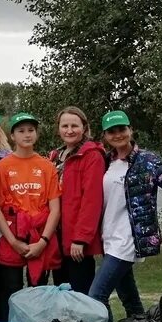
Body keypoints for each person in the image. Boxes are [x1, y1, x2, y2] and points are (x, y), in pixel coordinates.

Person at [90, 111, 162, 322]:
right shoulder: (105, 162)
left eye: (122, 129)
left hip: (129, 239)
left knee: (96, 297)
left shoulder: (147, 160)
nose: (118, 135)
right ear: (105, 136)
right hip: (109, 237)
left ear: (130, 130)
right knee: (130, 300)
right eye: (112, 131)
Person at [0, 113, 61, 321]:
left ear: (37, 134)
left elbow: (55, 208)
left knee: (38, 294)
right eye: (21, 131)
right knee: (8, 294)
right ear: (12, 136)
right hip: (11, 238)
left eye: (31, 130)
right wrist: (12, 241)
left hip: (40, 237)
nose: (27, 135)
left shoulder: (47, 166)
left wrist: (43, 241)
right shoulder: (1, 167)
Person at [48, 106, 106, 294]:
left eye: (75, 125)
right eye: (65, 126)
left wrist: (81, 238)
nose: (69, 130)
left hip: (76, 241)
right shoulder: (55, 156)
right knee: (61, 294)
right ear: (59, 129)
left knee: (81, 296)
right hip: (57, 238)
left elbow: (92, 199)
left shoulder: (92, 155)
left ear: (84, 127)